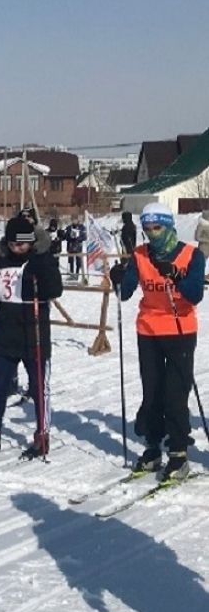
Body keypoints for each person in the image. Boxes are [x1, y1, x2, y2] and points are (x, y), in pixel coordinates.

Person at [109, 202, 205, 481]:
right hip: (148, 331)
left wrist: (175, 276)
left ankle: (178, 452)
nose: (152, 234)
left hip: (180, 330)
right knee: (152, 392)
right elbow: (125, 292)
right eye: (147, 229)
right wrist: (117, 276)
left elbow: (195, 294)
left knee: (175, 393)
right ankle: (153, 447)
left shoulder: (191, 255)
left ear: (169, 226)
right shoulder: (140, 254)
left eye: (157, 227)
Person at [0, 214, 63, 459]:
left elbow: (55, 289)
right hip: (7, 333)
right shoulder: (2, 261)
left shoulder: (42, 259)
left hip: (34, 331)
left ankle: (42, 436)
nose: (18, 249)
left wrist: (42, 269)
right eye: (14, 244)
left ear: (31, 242)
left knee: (39, 387)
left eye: (23, 244)